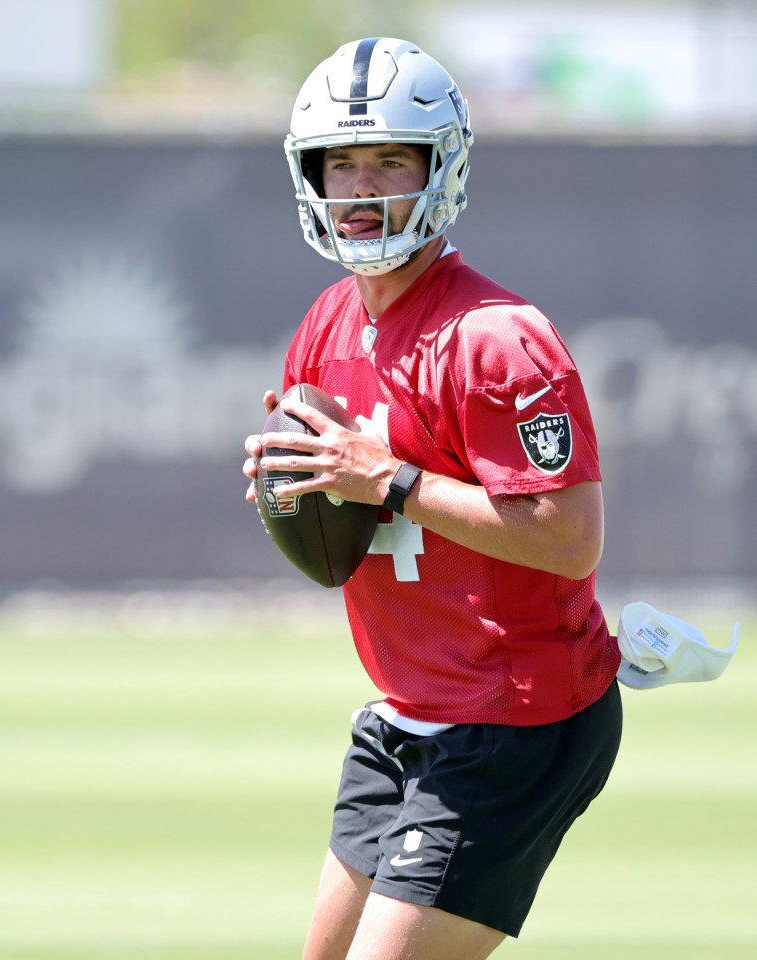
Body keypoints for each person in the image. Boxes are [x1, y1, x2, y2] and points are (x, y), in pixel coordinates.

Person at [243, 37, 623, 960]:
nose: (362, 189)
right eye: (342, 163)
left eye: (391, 162)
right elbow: (333, 521)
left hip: (513, 717)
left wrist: (390, 480)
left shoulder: (499, 338)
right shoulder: (328, 321)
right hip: (404, 708)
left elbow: (571, 539)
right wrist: (291, 485)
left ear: (440, 170)